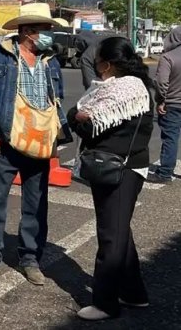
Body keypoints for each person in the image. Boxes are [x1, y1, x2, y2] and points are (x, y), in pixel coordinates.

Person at [0, 3, 66, 286]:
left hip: (39, 147)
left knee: (36, 206)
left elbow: (55, 102)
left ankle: (31, 259)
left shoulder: (51, 61)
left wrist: (56, 138)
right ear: (28, 31)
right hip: (4, 145)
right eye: (45, 30)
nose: (49, 35)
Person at [67, 36, 153, 321]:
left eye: (99, 60)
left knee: (110, 235)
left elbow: (92, 126)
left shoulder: (123, 89)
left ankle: (105, 303)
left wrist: (74, 116)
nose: (96, 65)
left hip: (118, 169)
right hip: (124, 166)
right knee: (119, 230)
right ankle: (133, 293)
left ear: (109, 63)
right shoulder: (134, 85)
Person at [152, 26, 181, 184]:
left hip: (172, 104)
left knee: (171, 138)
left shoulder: (168, 57)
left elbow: (161, 83)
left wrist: (160, 100)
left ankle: (165, 173)